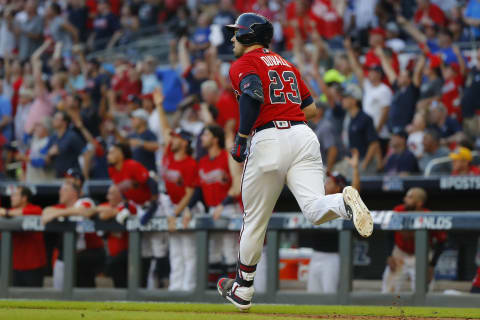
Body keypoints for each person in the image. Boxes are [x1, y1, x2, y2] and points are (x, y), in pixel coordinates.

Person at [217, 13, 373, 311]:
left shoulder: (243, 64)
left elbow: (252, 93)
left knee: (254, 220)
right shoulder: (286, 63)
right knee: (315, 208)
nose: (232, 38)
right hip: (303, 135)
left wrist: (241, 136)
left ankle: (243, 289)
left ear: (250, 35)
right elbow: (311, 109)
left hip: (268, 139)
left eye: (237, 32)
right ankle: (343, 203)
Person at [153, 89, 198, 292]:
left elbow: (189, 193)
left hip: (187, 208)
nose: (173, 139)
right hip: (171, 205)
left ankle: (188, 290)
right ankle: (175, 288)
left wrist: (175, 213)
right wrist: (159, 106)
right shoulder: (170, 155)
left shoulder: (190, 163)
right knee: (175, 251)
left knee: (188, 252)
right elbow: (164, 130)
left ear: (186, 142)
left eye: (178, 138)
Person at [300, 149, 361, 293]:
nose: (326, 184)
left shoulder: (342, 203)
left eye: (330, 182)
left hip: (333, 257)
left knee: (331, 296)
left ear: (338, 187)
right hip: (315, 255)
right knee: (312, 297)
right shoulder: (320, 201)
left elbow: (355, 194)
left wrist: (355, 169)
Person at [189, 124, 240, 287]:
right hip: (212, 209)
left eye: (206, 135)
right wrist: (188, 209)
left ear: (215, 139)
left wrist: (223, 204)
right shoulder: (202, 161)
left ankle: (234, 288)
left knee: (230, 250)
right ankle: (213, 291)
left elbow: (237, 185)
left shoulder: (227, 157)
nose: (202, 138)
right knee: (213, 252)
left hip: (229, 207)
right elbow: (198, 189)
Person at [42, 181, 105, 288]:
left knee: (83, 288)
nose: (60, 192)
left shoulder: (85, 201)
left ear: (74, 193)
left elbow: (84, 210)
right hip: (69, 254)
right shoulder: (62, 206)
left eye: (65, 190)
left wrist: (57, 213)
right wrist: (57, 212)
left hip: (89, 253)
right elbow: (46, 211)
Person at [382, 187, 446, 293]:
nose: (405, 199)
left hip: (421, 255)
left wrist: (431, 265)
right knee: (388, 291)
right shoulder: (398, 211)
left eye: (410, 197)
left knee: (424, 293)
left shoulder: (429, 216)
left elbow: (442, 240)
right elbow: (389, 233)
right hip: (400, 253)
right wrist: (389, 255)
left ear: (419, 203)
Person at [0, 186, 46, 287]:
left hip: (34, 266)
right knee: (14, 300)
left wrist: (6, 213)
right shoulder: (8, 213)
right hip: (14, 267)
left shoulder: (35, 209)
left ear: (24, 198)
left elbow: (36, 212)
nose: (12, 198)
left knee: (34, 300)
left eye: (15, 195)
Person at [95, 184, 137, 288]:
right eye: (108, 194)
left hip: (130, 254)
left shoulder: (129, 205)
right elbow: (94, 212)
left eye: (112, 194)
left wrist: (106, 211)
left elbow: (103, 214)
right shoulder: (106, 205)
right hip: (113, 254)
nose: (108, 197)